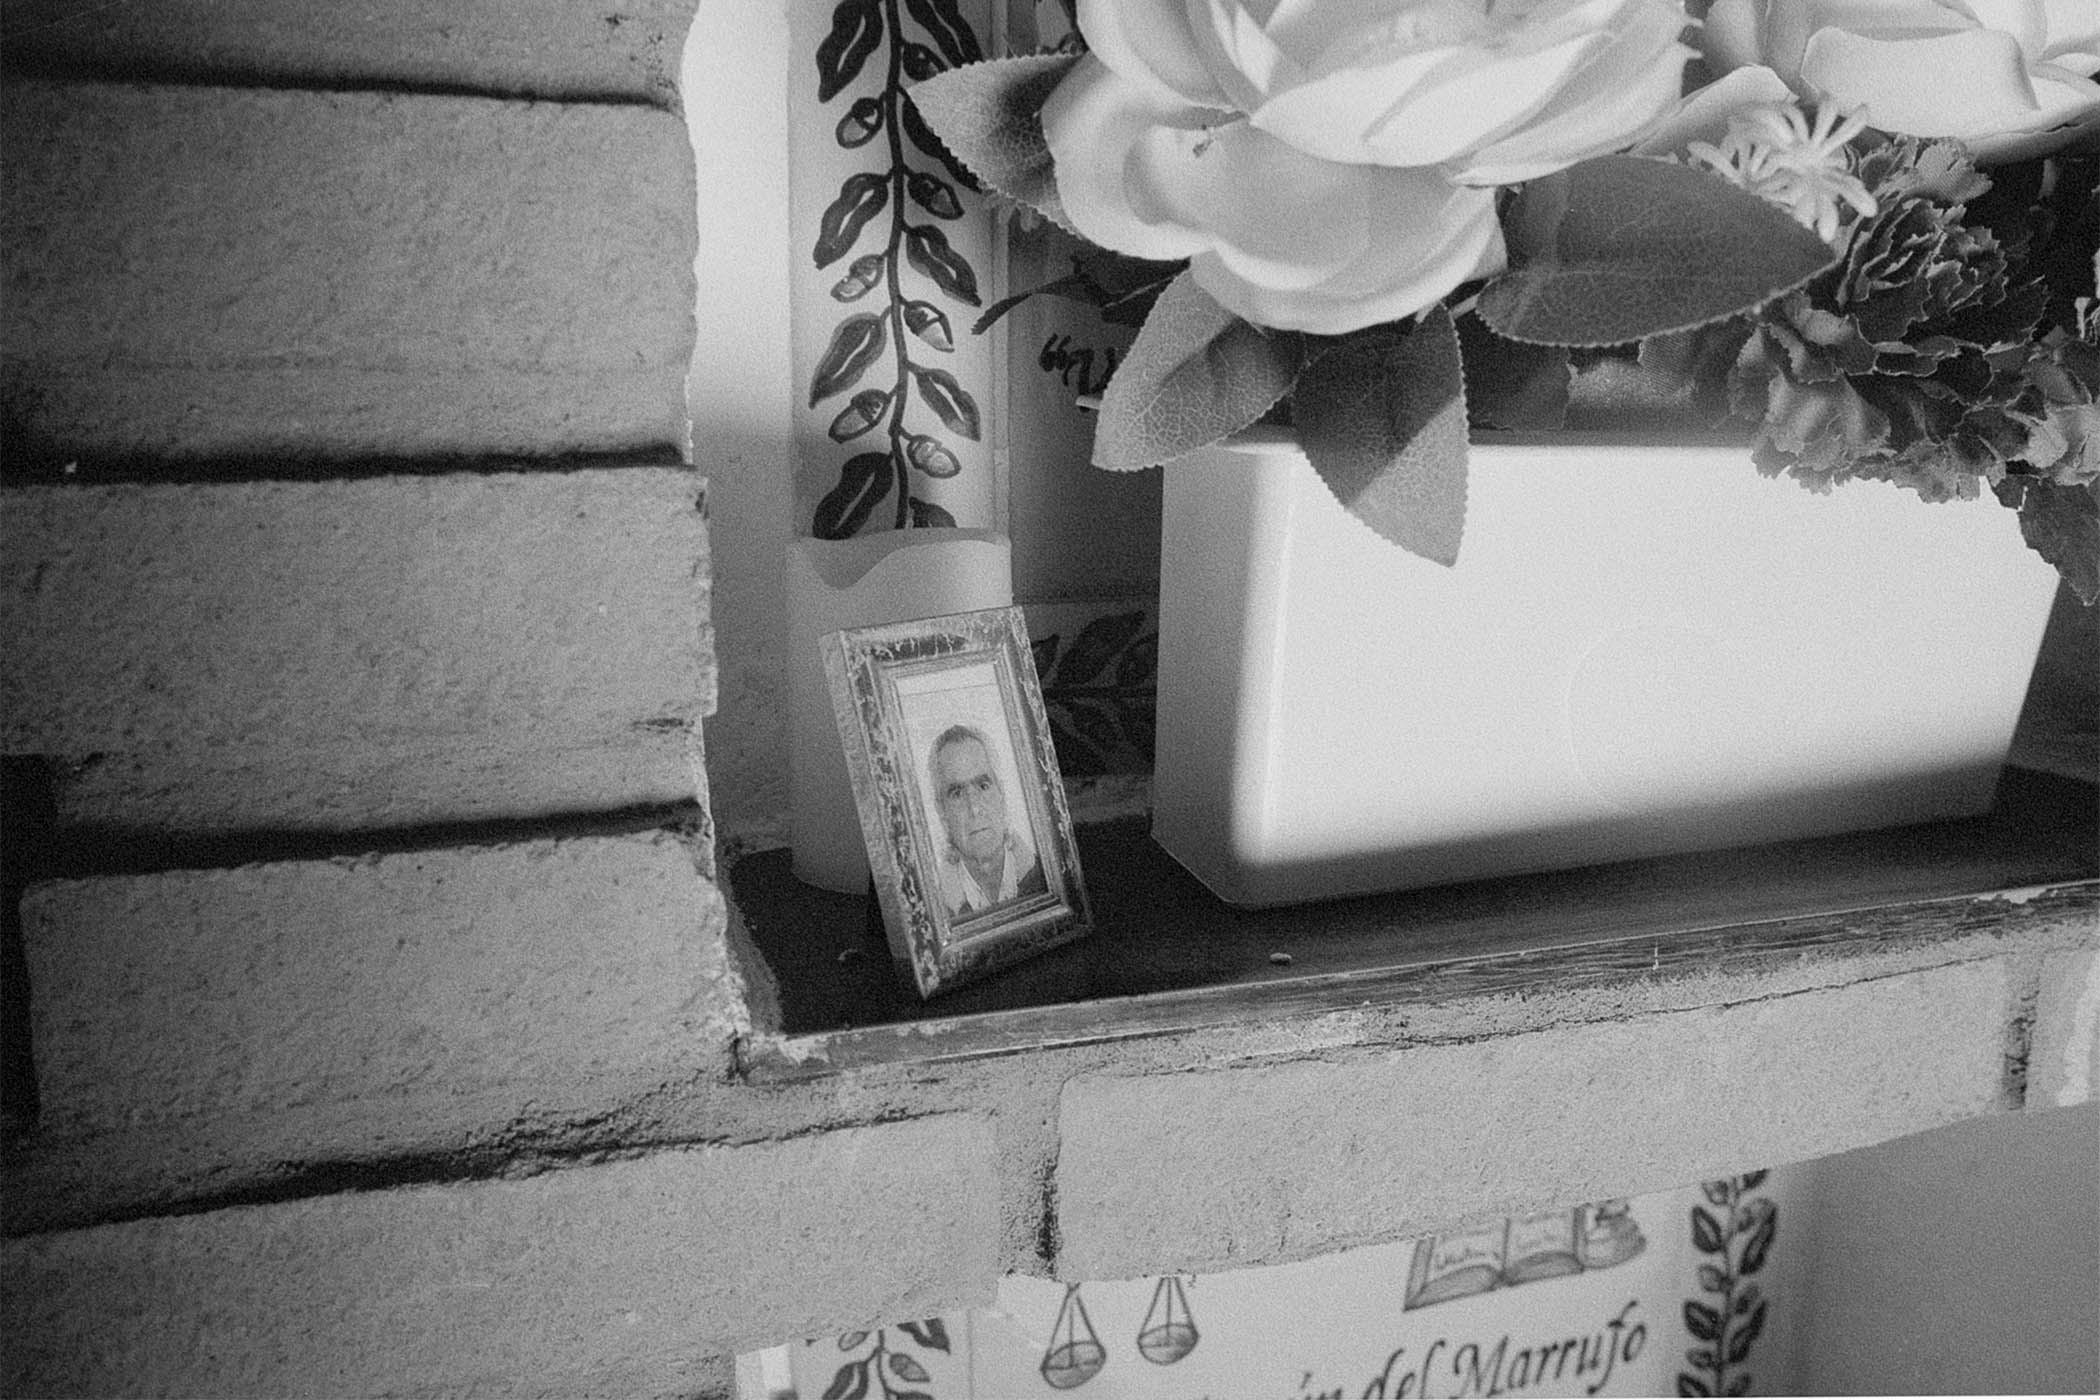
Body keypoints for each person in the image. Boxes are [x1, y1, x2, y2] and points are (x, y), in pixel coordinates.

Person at [926, 723, 1046, 917]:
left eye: (983, 786)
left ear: (1002, 794)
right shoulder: (931, 912)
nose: (974, 808)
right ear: (942, 812)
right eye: (956, 793)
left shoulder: (1050, 878)